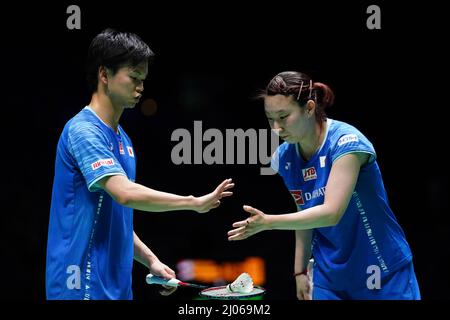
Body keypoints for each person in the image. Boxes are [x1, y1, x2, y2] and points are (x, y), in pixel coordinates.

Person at [46, 28, 234, 300]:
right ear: (104, 75)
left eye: (143, 79)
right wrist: (193, 202)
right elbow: (125, 194)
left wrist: (151, 260)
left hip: (118, 288)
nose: (141, 87)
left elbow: (116, 220)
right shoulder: (83, 131)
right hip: (78, 285)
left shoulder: (125, 141)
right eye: (134, 77)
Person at [227, 71, 420, 300]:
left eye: (284, 116)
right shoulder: (284, 158)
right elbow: (304, 213)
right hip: (330, 278)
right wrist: (299, 271)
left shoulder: (346, 143)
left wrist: (269, 222)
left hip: (382, 270)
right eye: (270, 118)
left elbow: (331, 213)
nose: (276, 128)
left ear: (309, 108)